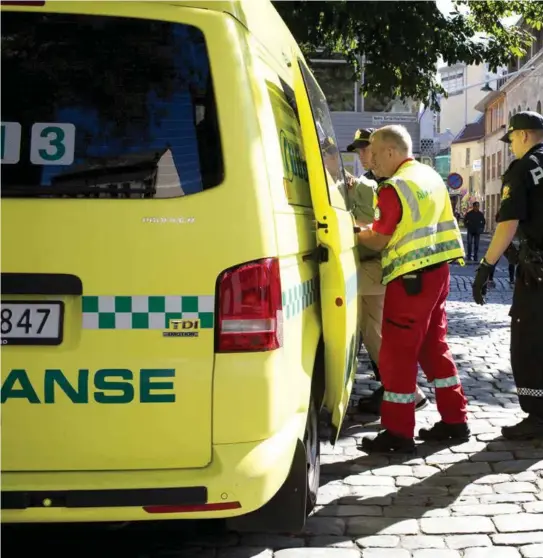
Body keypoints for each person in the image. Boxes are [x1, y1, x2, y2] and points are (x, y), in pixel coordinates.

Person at [356, 125, 469, 453]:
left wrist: (353, 234)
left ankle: (398, 432)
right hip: (438, 273)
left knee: (396, 354)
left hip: (410, 280)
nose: (372, 163)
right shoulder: (429, 176)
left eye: (375, 155)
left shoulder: (393, 187)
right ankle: (455, 420)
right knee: (434, 347)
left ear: (391, 152)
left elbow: (379, 239)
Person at [346, 128, 428, 415]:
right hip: (389, 268)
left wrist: (350, 233)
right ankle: (396, 389)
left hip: (381, 267)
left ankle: (403, 392)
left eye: (366, 150)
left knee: (378, 334)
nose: (364, 156)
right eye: (359, 151)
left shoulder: (381, 185)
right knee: (375, 334)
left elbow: (380, 234)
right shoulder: (376, 182)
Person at [472, 110, 543, 440]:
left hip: (538, 274)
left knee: (529, 339)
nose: (510, 146)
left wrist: (487, 266)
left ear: (525, 136)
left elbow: (508, 223)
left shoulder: (523, 168)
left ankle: (537, 415)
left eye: (512, 138)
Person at [488, 211, 517, 287]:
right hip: (501, 241)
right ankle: (490, 280)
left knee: (511, 260)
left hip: (507, 242)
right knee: (495, 261)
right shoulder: (503, 221)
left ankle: (511, 280)